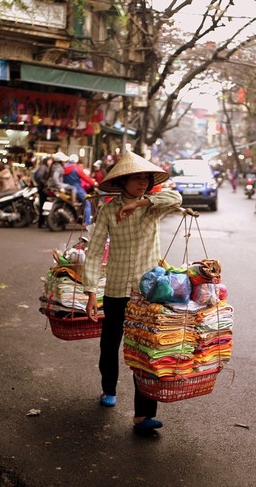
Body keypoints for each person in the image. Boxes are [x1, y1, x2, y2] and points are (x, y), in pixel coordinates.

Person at [82, 151, 181, 436]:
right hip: (115, 290)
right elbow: (95, 250)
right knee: (109, 344)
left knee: (146, 350)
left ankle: (143, 416)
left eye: (146, 178)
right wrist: (91, 291)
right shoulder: (109, 211)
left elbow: (176, 199)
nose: (142, 182)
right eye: (137, 178)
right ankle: (108, 388)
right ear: (123, 180)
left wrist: (140, 202)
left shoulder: (151, 206)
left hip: (147, 293)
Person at [64, 154, 97, 225]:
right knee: (87, 202)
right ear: (76, 161)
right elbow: (85, 177)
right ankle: (87, 222)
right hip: (77, 188)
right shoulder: (76, 168)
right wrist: (93, 183)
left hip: (66, 188)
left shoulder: (64, 167)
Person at [34, 156, 53, 228]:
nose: (51, 162)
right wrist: (45, 183)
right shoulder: (44, 167)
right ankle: (41, 222)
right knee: (43, 204)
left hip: (42, 188)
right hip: (43, 189)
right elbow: (39, 177)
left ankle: (41, 222)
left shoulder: (44, 167)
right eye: (50, 160)